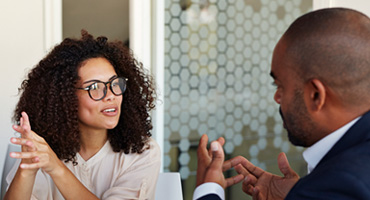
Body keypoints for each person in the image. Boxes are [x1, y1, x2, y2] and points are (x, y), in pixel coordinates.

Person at [194, 7, 370, 200]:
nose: (276, 97)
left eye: (280, 86)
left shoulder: (339, 184)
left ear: (315, 96)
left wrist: (208, 188)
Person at [4, 31, 161, 200]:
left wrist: (56, 168)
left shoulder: (142, 152)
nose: (111, 95)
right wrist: (27, 170)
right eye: (94, 87)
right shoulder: (43, 151)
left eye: (114, 83)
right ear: (66, 98)